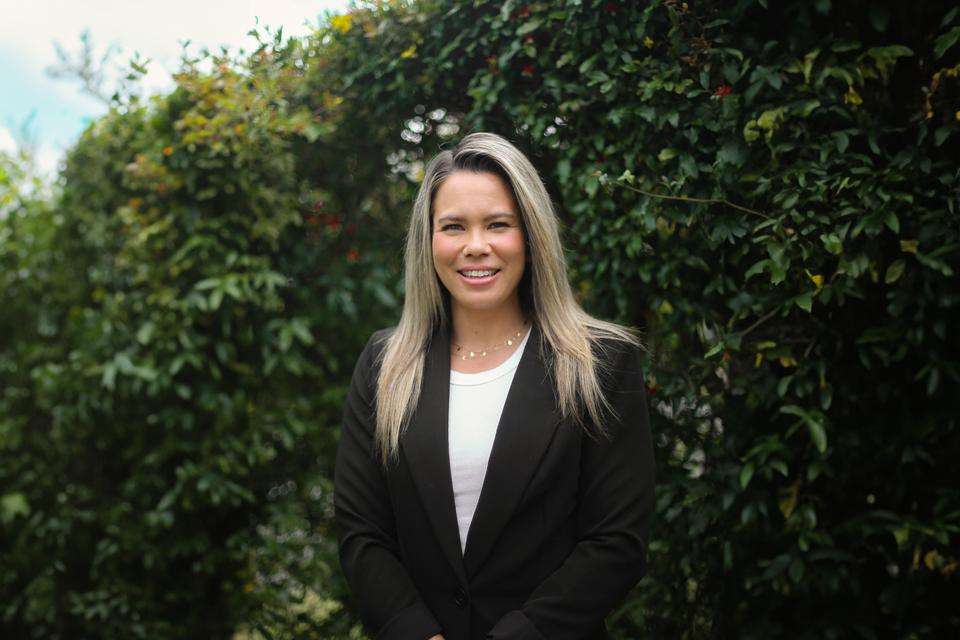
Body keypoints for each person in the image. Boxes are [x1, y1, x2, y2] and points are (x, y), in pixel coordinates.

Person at [334, 132, 655, 640]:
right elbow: (362, 532)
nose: (476, 246)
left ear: (530, 236)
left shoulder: (599, 364)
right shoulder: (384, 364)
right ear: (429, 241)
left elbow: (615, 543)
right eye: (454, 226)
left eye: (498, 225)